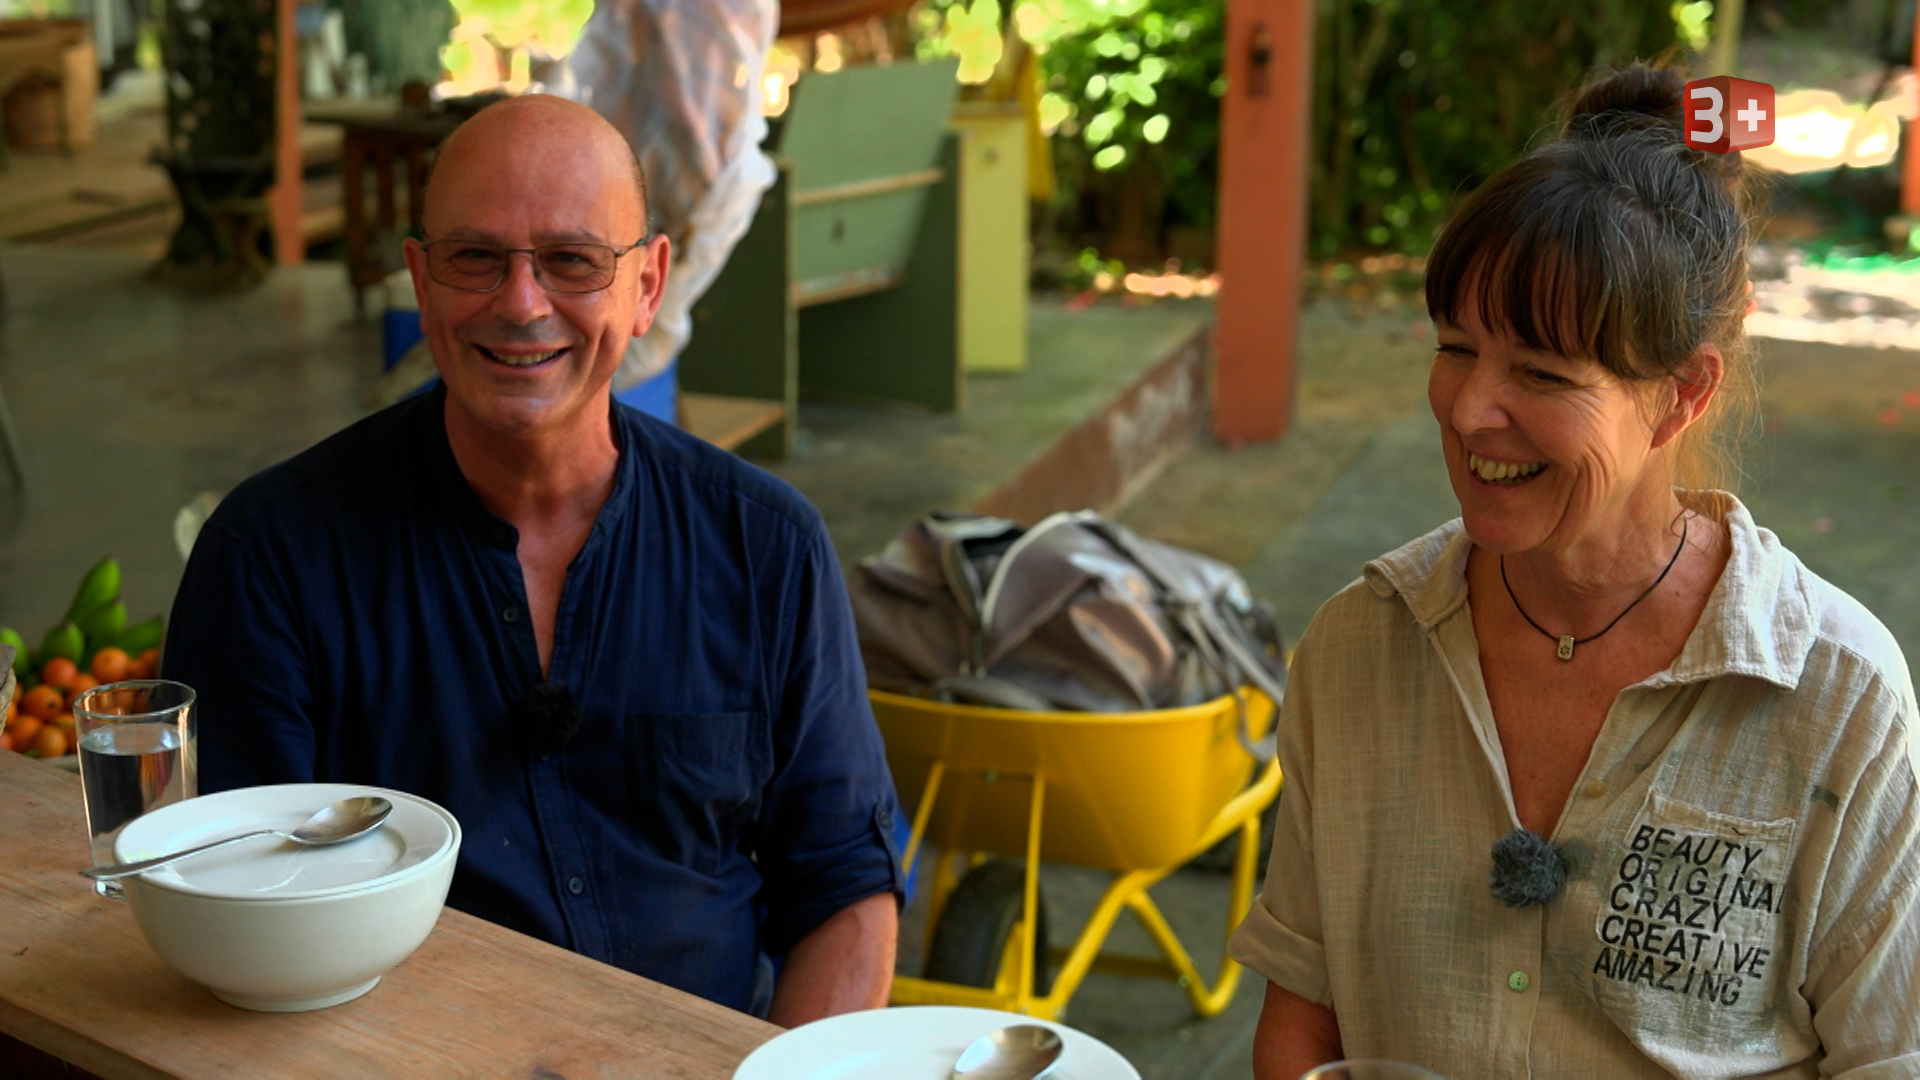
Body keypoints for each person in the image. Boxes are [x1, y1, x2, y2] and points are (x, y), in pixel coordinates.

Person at [1231, 65, 1920, 1077]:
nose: (1469, 411)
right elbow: (1302, 1021)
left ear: (1683, 396)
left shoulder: (1836, 699)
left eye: (1544, 375)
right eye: (1455, 348)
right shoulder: (1359, 649)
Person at [163, 95, 904, 1025]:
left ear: (647, 286)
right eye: (476, 257)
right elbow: (243, 917)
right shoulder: (273, 556)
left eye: (573, 261)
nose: (521, 303)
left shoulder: (765, 547)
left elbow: (842, 883)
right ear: (422, 280)